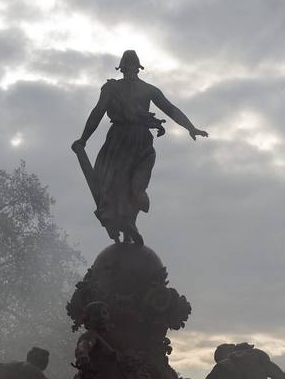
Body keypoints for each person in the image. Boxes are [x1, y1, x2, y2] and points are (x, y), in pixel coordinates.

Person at [72, 50, 208, 244]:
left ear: (122, 68)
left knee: (116, 184)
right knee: (133, 185)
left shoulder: (113, 88)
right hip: (140, 140)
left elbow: (98, 113)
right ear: (138, 68)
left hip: (120, 140)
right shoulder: (148, 89)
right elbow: (171, 109)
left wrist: (83, 139)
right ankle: (128, 227)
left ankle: (123, 222)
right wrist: (191, 128)